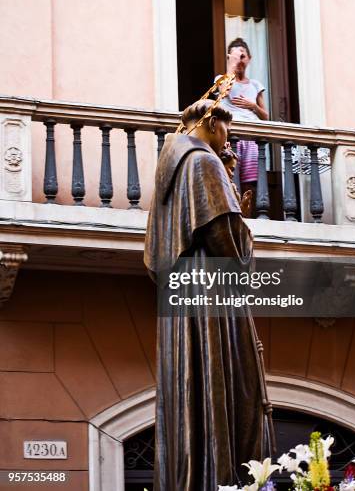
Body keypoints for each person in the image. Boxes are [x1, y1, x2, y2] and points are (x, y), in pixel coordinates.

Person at [144, 100, 272, 491]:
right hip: (210, 291)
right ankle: (223, 475)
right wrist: (241, 226)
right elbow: (227, 241)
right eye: (227, 131)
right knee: (233, 385)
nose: (228, 141)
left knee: (191, 385)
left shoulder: (172, 172)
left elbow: (155, 257)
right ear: (213, 123)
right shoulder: (203, 163)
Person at [217, 38, 268, 213]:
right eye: (237, 55)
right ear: (229, 57)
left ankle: (248, 216)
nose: (240, 59)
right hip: (231, 136)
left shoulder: (255, 85)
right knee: (230, 178)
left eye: (243, 56)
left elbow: (265, 115)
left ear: (250, 58)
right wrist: (232, 65)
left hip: (251, 139)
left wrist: (252, 106)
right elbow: (223, 91)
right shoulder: (222, 79)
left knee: (249, 183)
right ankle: (231, 215)